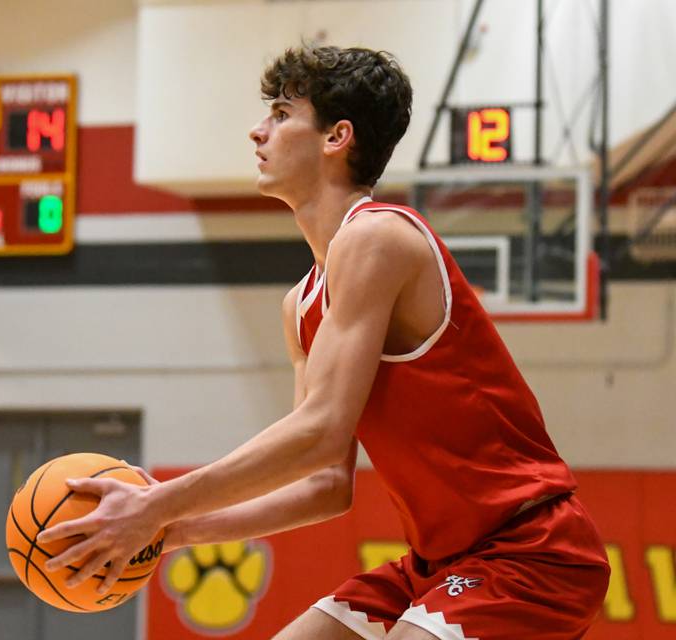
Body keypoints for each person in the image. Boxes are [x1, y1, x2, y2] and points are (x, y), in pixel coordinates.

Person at [38, 46, 610, 639]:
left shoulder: (379, 238)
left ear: (338, 137)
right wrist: (170, 531)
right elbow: (324, 486)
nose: (258, 130)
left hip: (532, 549)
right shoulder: (301, 304)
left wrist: (158, 503)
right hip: (435, 565)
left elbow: (320, 430)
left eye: (282, 114)